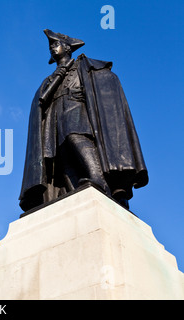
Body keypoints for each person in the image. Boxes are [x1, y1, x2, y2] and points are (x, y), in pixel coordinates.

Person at [19, 29, 148, 212]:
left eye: (56, 44)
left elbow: (100, 85)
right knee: (63, 157)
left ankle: (98, 179)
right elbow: (41, 101)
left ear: (68, 47)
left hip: (75, 106)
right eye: (51, 46)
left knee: (75, 136)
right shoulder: (50, 79)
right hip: (56, 114)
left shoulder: (82, 65)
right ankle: (75, 192)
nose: (53, 49)